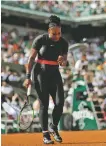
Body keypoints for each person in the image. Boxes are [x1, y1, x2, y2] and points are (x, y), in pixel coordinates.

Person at [25, 15, 68, 144]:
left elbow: (64, 62)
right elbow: (31, 59)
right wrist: (28, 77)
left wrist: (63, 61)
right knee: (44, 104)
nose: (57, 36)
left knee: (60, 103)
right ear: (49, 31)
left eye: (59, 33)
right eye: (54, 34)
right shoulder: (40, 40)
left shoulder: (64, 43)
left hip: (55, 74)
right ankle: (45, 135)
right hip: (40, 74)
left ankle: (53, 126)